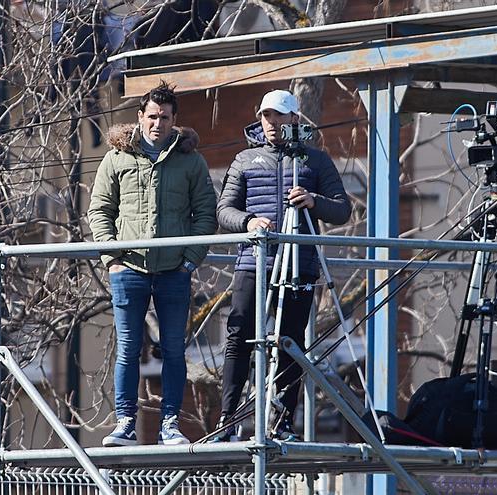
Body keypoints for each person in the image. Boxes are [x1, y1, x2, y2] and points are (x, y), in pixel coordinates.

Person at [214, 90, 350, 441]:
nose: (272, 123)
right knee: (239, 335)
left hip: (299, 263)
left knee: (290, 341)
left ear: (295, 119)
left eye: (279, 116)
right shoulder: (245, 159)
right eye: (266, 116)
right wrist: (248, 222)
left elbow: (341, 209)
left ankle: (283, 421)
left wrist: (313, 201)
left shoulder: (315, 161)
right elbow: (223, 210)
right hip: (253, 261)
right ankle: (227, 420)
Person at [89, 82, 218, 447]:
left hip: (174, 273)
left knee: (175, 349)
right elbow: (100, 210)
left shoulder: (190, 160)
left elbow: (206, 214)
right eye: (151, 116)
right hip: (128, 270)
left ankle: (171, 425)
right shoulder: (116, 158)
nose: (157, 123)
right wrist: (112, 257)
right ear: (139, 117)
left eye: (164, 117)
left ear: (174, 119)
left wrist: (190, 262)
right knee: (129, 348)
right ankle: (126, 423)